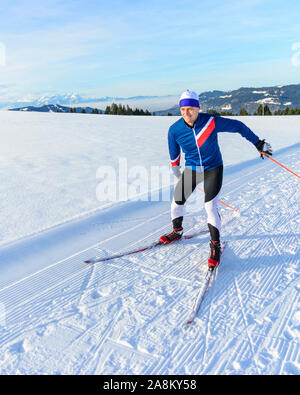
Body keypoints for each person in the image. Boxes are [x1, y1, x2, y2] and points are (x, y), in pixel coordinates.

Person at [159, 89, 272, 269]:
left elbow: (238, 126)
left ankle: (215, 245)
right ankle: (177, 232)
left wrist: (258, 143)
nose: (186, 113)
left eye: (190, 109)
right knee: (176, 202)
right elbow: (174, 149)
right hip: (193, 169)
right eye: (182, 110)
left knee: (210, 206)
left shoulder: (210, 121)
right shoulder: (174, 129)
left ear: (198, 108)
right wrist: (175, 165)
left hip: (213, 168)